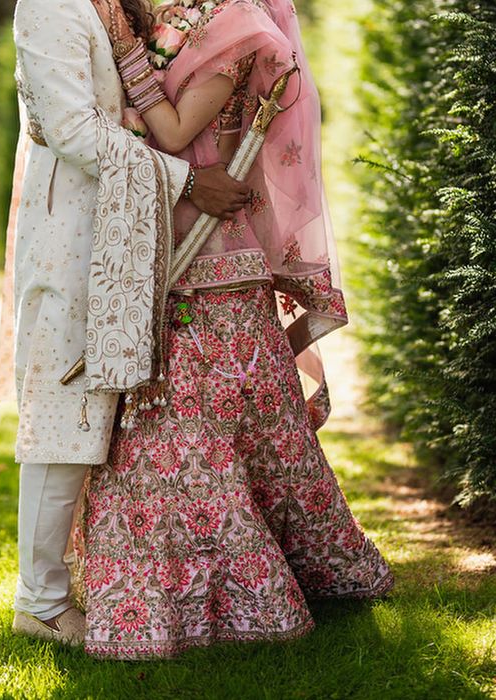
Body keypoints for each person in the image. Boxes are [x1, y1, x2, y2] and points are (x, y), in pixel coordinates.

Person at [76, 0, 394, 659]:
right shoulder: (166, 18)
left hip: (215, 252)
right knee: (157, 414)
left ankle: (246, 580)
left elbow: (173, 129)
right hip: (160, 236)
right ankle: (146, 581)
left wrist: (127, 59)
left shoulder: (238, 24)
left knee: (213, 423)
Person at [0, 0, 250, 647]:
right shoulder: (50, 5)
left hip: (106, 228)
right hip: (69, 232)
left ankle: (57, 584)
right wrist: (188, 180)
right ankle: (40, 602)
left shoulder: (103, 6)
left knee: (90, 407)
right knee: (63, 408)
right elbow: (76, 134)